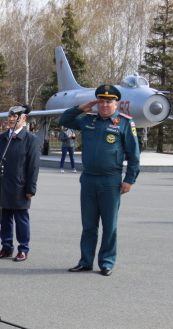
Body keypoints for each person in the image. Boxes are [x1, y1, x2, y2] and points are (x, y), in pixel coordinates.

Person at [60, 84, 140, 276]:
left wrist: (129, 179)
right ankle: (86, 261)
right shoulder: (88, 120)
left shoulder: (124, 123)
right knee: (88, 225)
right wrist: (81, 108)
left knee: (109, 225)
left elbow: (134, 155)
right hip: (88, 179)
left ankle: (106, 262)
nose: (105, 105)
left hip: (111, 180)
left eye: (109, 102)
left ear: (116, 103)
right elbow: (64, 120)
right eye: (101, 101)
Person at [0, 105, 39, 262]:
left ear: (23, 119)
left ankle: (23, 249)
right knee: (4, 219)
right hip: (2, 185)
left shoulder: (30, 140)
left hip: (20, 186)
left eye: (16, 117)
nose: (11, 119)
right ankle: (6, 247)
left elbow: (33, 166)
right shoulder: (1, 138)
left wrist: (31, 188)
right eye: (10, 116)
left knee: (21, 219)